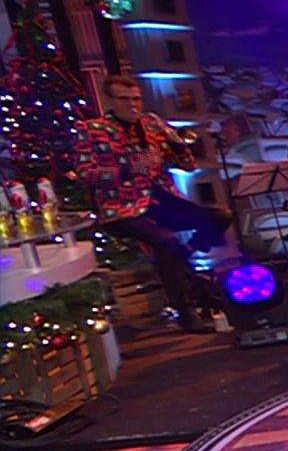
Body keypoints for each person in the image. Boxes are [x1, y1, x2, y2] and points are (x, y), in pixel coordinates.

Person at [69, 75, 225, 331]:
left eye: (136, 99)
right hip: (122, 206)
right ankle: (185, 310)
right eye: (124, 99)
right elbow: (87, 174)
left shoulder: (151, 128)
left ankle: (184, 266)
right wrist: (129, 170)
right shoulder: (91, 129)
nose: (133, 105)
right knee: (166, 241)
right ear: (110, 100)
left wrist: (175, 143)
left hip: (162, 200)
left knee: (220, 217)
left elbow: (188, 166)